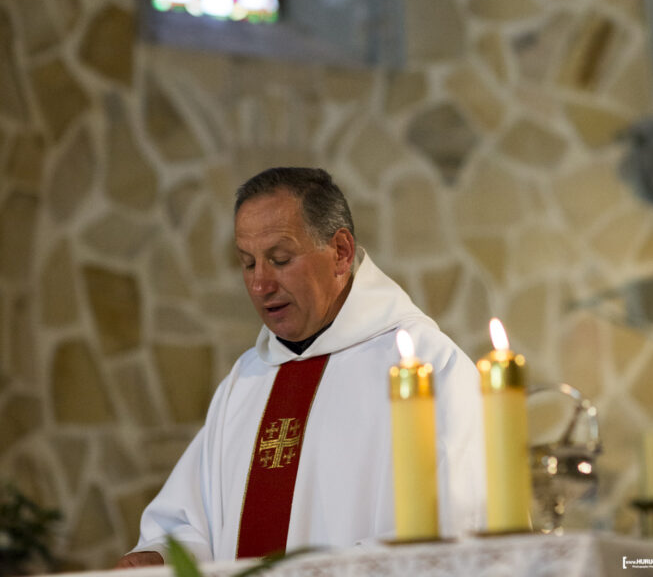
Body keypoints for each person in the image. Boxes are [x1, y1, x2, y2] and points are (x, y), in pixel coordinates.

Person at [116, 167, 485, 567]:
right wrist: (156, 557)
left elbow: (452, 531)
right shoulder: (248, 380)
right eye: (248, 263)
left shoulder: (429, 368)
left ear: (341, 252)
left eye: (280, 259)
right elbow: (192, 522)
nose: (260, 285)